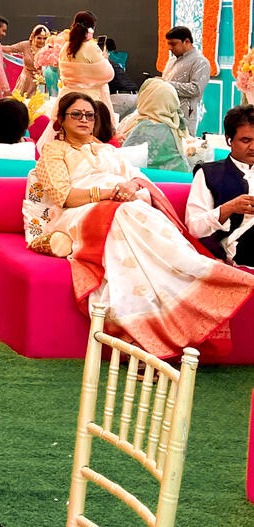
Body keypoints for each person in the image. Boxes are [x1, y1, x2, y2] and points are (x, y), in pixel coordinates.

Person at [22, 90, 252, 358]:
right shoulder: (54, 152)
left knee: (139, 214)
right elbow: (64, 196)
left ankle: (193, 275)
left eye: (89, 115)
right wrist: (108, 193)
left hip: (122, 207)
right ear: (61, 119)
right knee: (124, 215)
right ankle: (143, 329)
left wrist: (131, 187)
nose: (84, 120)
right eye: (76, 114)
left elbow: (138, 179)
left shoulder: (109, 150)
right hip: (79, 213)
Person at [186, 104, 254, 266]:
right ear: (229, 140)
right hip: (237, 245)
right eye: (246, 140)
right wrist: (228, 208)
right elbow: (194, 228)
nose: (253, 147)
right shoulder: (209, 173)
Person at [116, 78, 189, 173]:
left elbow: (122, 159)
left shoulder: (146, 126)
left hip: (158, 179)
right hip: (182, 176)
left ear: (147, 99)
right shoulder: (174, 124)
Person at [55, 9, 114, 114]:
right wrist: (104, 59)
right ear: (91, 29)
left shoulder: (65, 48)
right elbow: (108, 74)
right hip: (88, 101)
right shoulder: (91, 48)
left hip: (66, 99)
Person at [162, 25, 211, 135]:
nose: (170, 48)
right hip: (166, 113)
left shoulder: (200, 62)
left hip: (185, 115)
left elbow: (196, 89)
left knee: (183, 143)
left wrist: (166, 85)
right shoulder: (172, 60)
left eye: (173, 44)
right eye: (169, 44)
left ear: (187, 41)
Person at [5, 23, 50, 99]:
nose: (42, 41)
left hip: (42, 83)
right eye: (39, 38)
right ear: (33, 37)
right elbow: (9, 49)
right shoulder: (26, 45)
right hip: (26, 81)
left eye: (44, 38)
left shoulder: (50, 49)